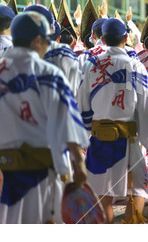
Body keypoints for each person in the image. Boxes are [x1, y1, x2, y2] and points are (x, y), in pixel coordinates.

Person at [0, 12, 89, 223]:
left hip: (5, 177)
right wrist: (79, 163)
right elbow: (67, 122)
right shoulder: (49, 74)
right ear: (37, 40)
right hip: (41, 177)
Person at [78, 18, 148, 223]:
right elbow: (147, 105)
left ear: (102, 38)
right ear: (126, 38)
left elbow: (82, 105)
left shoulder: (90, 65)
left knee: (103, 198)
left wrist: (87, 132)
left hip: (100, 140)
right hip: (129, 140)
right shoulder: (136, 66)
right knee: (139, 190)